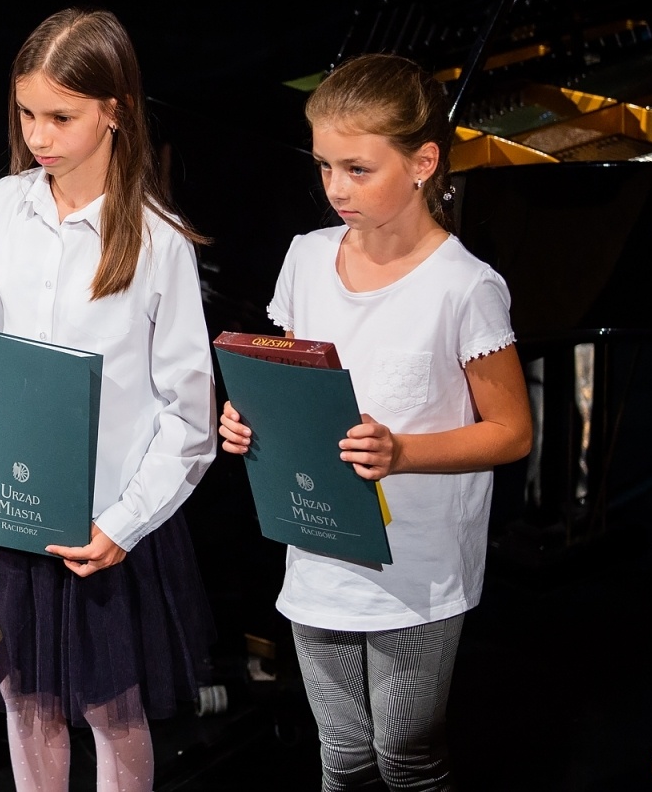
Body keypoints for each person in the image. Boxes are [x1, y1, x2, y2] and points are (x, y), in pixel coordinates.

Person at [0, 8, 217, 792]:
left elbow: (189, 420)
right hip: (11, 510)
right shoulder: (4, 211)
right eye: (27, 114)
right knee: (27, 703)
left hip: (105, 526)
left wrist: (122, 524)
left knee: (115, 716)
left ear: (113, 110)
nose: (40, 135)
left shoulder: (157, 242)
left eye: (62, 116)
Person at [219, 52, 532, 791]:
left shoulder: (465, 286)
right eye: (325, 166)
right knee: (344, 758)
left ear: (424, 162)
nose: (336, 189)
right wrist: (246, 419)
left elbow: (512, 432)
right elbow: (285, 383)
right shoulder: (305, 258)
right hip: (321, 544)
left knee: (407, 759)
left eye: (358, 169)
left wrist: (401, 451)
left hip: (415, 562)